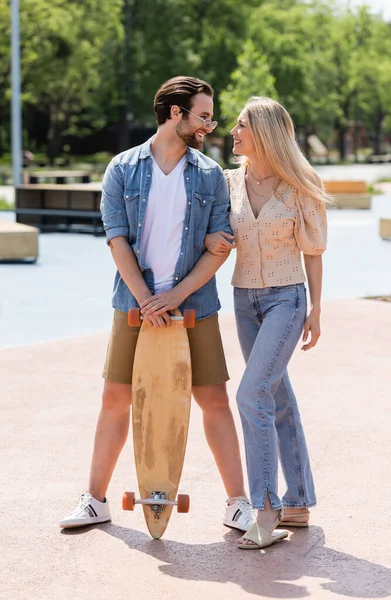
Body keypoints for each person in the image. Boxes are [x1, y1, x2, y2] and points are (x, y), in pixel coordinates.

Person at [59, 76, 255, 532]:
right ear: (175, 114)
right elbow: (117, 239)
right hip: (133, 301)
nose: (210, 125)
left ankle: (236, 503)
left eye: (211, 117)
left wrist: (175, 295)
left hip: (195, 304)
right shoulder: (123, 169)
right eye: (203, 116)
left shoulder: (209, 174)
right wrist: (148, 300)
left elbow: (219, 247)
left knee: (214, 400)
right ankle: (95, 499)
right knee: (115, 397)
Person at [205, 97, 328, 550]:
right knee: (276, 396)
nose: (232, 132)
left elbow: (313, 251)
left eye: (240, 125)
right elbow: (214, 232)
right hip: (243, 301)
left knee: (251, 392)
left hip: (286, 299)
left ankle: (265, 508)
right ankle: (298, 500)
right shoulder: (228, 183)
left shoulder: (300, 184)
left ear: (264, 132)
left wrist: (316, 309)